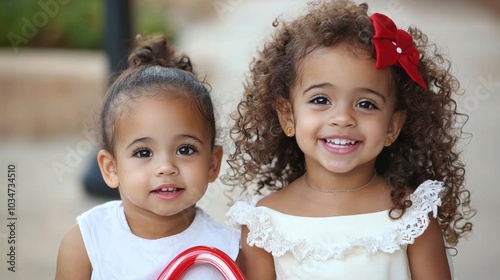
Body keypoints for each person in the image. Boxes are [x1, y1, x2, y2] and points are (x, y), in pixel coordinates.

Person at [224, 0, 474, 279]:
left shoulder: (412, 218)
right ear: (288, 116)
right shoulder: (264, 224)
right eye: (321, 100)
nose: (343, 118)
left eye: (366, 104)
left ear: (393, 125)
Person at [55, 34, 240, 280]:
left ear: (213, 163)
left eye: (185, 149)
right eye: (143, 152)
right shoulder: (88, 243)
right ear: (111, 169)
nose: (166, 167)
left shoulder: (228, 250)